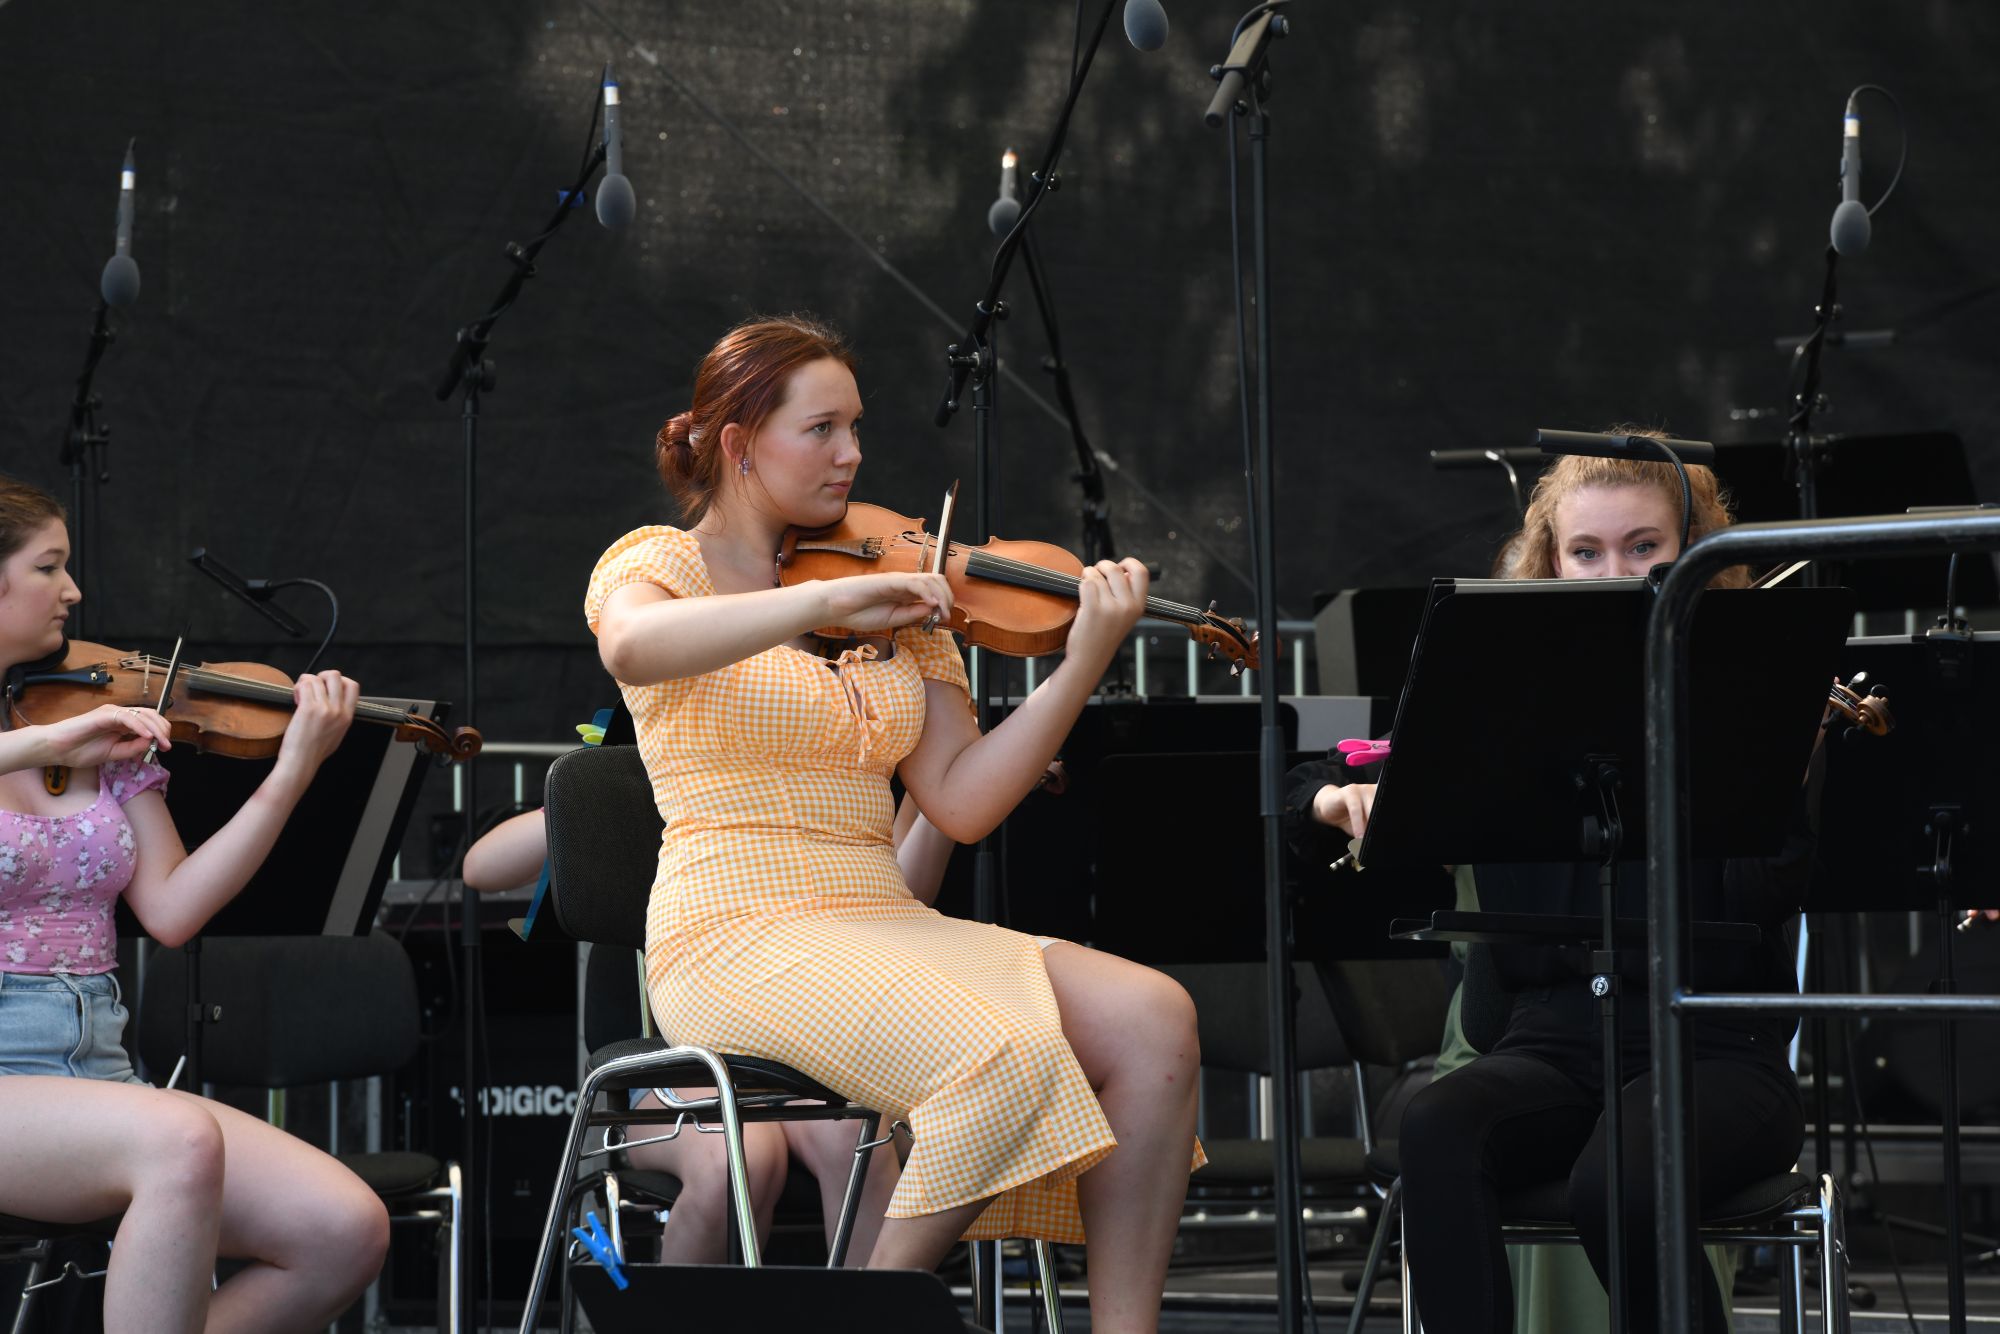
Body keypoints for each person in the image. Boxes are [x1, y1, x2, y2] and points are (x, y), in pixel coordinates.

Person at [586, 314, 1201, 1332]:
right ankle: (865, 1318)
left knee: (1153, 1017)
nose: (852, 454)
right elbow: (633, 648)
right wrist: (828, 604)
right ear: (740, 444)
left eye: (857, 427)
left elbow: (961, 797)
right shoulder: (663, 562)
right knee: (997, 1053)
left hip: (877, 917)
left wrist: (1081, 664)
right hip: (732, 930)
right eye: (822, 429)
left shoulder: (895, 598)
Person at [1295, 449, 1800, 1333]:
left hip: (1715, 1051)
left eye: (1645, 547)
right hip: (1554, 1044)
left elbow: (1777, 892)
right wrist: (1335, 798)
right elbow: (1312, 774)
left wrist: (1777, 756)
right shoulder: (1504, 700)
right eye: (1587, 552)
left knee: (1619, 1180)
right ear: (1552, 563)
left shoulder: (1749, 692)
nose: (1616, 573)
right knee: (1438, 1125)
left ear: (1694, 555)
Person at [0, 475, 387, 1332]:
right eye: (48, 567)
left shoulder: (91, 718)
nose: (73, 590)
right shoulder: (62, 733)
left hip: (95, 1070)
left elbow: (172, 911)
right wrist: (43, 742)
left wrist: (293, 771)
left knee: (343, 1229)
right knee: (178, 1140)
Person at [462, 787, 971, 1263]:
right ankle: (685, 1316)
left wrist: (944, 792)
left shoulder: (819, 778)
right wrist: (588, 798)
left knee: (859, 1138)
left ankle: (869, 1312)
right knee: (739, 1158)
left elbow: (897, 900)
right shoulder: (670, 767)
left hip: (803, 1048)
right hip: (681, 1058)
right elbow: (481, 867)